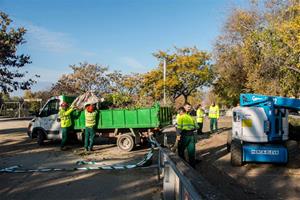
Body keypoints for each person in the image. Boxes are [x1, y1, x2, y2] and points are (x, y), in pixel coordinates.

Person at [176, 103, 198, 168]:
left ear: (181, 111)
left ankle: (183, 166)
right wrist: (191, 129)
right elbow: (197, 126)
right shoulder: (190, 117)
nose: (179, 114)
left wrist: (178, 136)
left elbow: (179, 128)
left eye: (179, 112)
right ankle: (193, 167)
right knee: (191, 152)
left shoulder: (181, 117)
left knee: (180, 151)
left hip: (184, 135)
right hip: (191, 136)